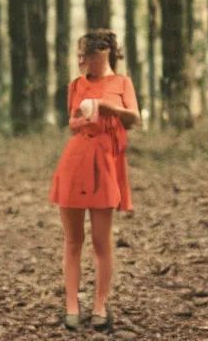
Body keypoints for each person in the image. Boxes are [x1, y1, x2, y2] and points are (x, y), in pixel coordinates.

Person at [49, 30, 141, 331]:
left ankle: (100, 305)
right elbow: (72, 123)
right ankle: (72, 306)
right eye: (79, 56)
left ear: (102, 54)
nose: (80, 61)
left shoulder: (122, 83)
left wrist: (106, 107)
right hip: (75, 161)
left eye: (85, 55)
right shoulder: (76, 85)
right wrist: (81, 117)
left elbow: (134, 119)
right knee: (72, 239)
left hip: (105, 163)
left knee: (102, 242)